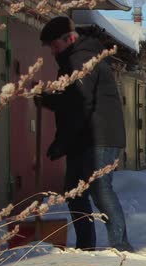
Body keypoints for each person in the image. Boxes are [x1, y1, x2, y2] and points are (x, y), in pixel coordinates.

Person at [38, 16, 133, 252]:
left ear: (69, 38)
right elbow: (70, 102)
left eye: (55, 46)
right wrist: (47, 98)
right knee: (74, 191)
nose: (52, 51)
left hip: (100, 137)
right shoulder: (74, 57)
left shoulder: (82, 58)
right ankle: (85, 247)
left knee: (100, 190)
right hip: (84, 137)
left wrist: (61, 141)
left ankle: (121, 247)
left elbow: (80, 105)